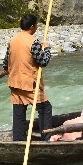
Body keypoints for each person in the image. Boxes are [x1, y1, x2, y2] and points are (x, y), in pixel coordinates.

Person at [5, 13, 53, 141]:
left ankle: (19, 139)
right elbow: (43, 61)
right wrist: (47, 49)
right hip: (29, 84)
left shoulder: (12, 40)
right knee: (45, 108)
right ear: (32, 26)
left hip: (14, 82)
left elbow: (6, 63)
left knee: (19, 111)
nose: (36, 28)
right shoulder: (33, 41)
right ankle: (46, 137)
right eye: (36, 25)